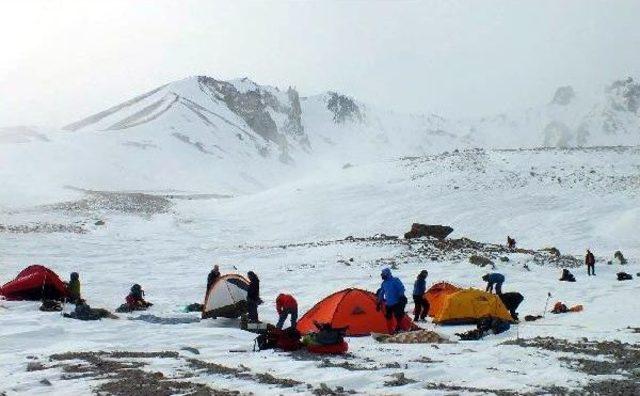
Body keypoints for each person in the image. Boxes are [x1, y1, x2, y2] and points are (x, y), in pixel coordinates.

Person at [377, 268, 407, 334]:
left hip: (397, 302)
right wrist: (379, 302)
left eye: (383, 274)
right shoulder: (384, 283)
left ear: (387, 274)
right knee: (388, 317)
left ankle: (402, 329)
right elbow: (381, 293)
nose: (382, 276)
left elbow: (401, 288)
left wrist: (401, 296)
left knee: (399, 316)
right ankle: (390, 331)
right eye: (382, 275)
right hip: (388, 304)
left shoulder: (395, 280)